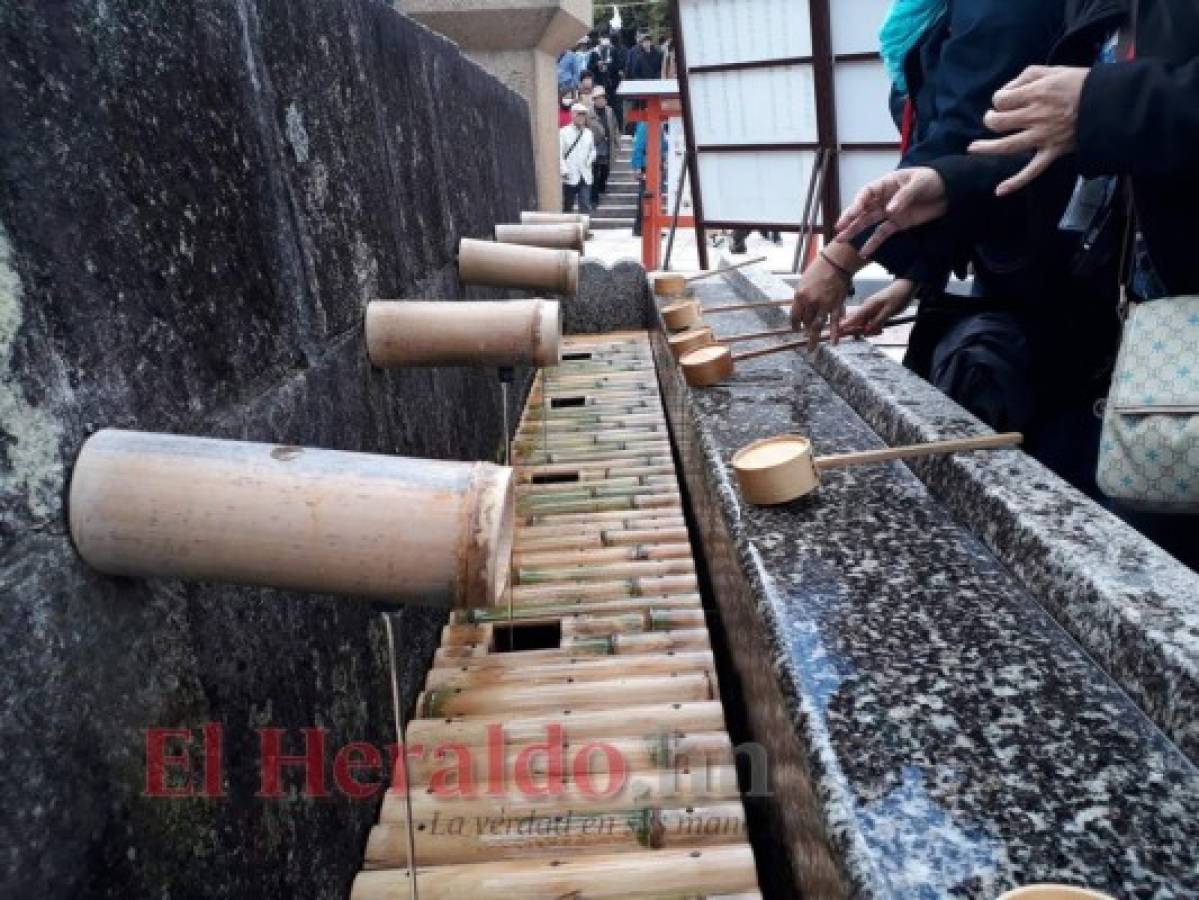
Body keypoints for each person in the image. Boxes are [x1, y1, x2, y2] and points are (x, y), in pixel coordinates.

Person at [560, 102, 596, 213]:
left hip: (585, 173)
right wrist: (564, 170)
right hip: (569, 173)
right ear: (573, 115)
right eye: (579, 114)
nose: (581, 117)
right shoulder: (563, 132)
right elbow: (559, 153)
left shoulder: (589, 133)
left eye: (583, 114)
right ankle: (566, 228)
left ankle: (585, 228)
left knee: (585, 204)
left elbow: (593, 149)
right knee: (568, 205)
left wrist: (590, 160)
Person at [588, 87, 620, 203]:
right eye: (598, 98)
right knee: (595, 172)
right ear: (594, 100)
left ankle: (602, 187)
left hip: (607, 145)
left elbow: (615, 126)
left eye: (603, 98)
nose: (601, 100)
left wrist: (617, 141)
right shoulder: (589, 113)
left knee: (606, 169)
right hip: (595, 145)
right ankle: (594, 197)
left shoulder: (609, 111)